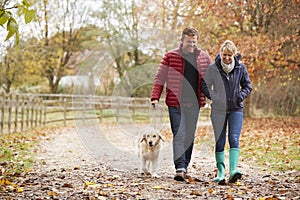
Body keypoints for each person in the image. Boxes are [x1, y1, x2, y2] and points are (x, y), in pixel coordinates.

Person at [151, 27, 212, 181]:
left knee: (189, 137)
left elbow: (214, 76)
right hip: (175, 103)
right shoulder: (170, 56)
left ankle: (185, 165)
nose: (191, 45)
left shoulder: (204, 58)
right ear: (182, 40)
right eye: (189, 42)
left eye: (194, 42)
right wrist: (155, 97)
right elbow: (159, 78)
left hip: (195, 103)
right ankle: (180, 167)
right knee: (179, 134)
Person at [201, 40, 252, 183]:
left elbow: (248, 86)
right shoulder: (213, 69)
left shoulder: (241, 68)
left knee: (234, 138)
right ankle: (221, 172)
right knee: (220, 140)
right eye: (224, 55)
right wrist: (215, 97)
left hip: (236, 109)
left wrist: (240, 96)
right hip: (218, 110)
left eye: (230, 55)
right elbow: (204, 85)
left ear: (234, 55)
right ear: (221, 54)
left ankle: (234, 170)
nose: (227, 58)